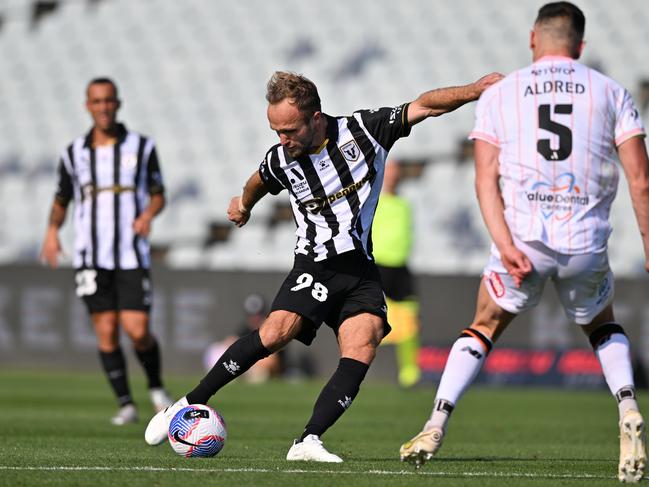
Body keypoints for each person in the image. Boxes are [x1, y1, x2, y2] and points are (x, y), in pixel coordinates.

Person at [145, 69, 502, 461]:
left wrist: (474, 91)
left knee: (363, 345)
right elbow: (257, 181)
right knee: (276, 333)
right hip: (315, 264)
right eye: (275, 131)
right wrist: (243, 205)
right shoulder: (281, 158)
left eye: (290, 130)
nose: (282, 140)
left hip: (361, 269)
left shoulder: (365, 131)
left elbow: (425, 106)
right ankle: (185, 403)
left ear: (316, 118)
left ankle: (308, 440)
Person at [399, 3, 649, 483]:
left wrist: (503, 242)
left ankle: (435, 423)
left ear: (533, 39)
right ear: (579, 45)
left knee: (484, 326)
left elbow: (485, 178)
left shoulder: (501, 92)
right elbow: (639, 179)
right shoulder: (611, 92)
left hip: (523, 240)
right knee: (601, 326)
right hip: (584, 241)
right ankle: (628, 406)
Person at [40, 77, 173, 425]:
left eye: (108, 100)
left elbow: (159, 193)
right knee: (106, 329)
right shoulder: (73, 154)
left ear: (118, 103)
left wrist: (147, 214)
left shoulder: (142, 147)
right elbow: (61, 199)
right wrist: (52, 231)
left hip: (130, 253)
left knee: (138, 329)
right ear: (88, 106)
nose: (103, 107)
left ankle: (157, 388)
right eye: (96, 101)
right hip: (90, 256)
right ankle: (126, 404)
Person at [372, 160, 421, 387]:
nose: (393, 177)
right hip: (378, 267)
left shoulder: (405, 204)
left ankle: (410, 373)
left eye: (396, 173)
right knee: (370, 320)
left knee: (410, 321)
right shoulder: (372, 200)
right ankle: (358, 365)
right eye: (389, 172)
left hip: (400, 269)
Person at [203, 293, 284, 382]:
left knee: (259, 374)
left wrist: (244, 361)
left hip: (270, 374)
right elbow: (229, 343)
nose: (254, 319)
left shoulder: (273, 331)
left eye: (258, 315)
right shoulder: (245, 330)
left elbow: (272, 363)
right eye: (251, 316)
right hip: (247, 369)